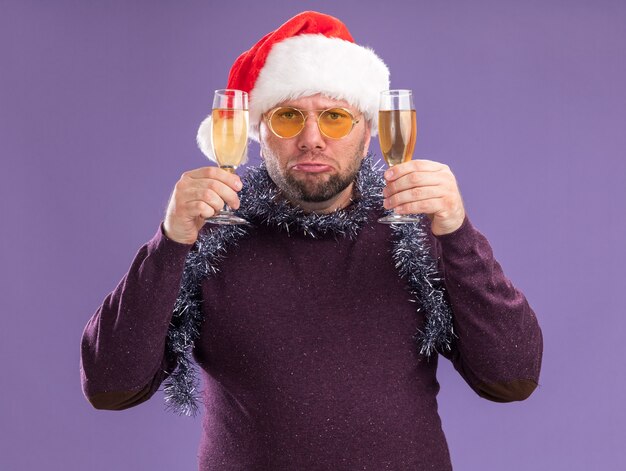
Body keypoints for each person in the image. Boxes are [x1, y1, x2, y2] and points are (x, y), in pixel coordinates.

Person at [80, 11, 543, 470]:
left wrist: (458, 233)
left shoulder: (419, 231)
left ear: (367, 136)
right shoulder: (208, 237)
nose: (312, 138)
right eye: (288, 116)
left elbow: (511, 379)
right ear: (259, 132)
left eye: (336, 117)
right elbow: (110, 386)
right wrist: (170, 240)